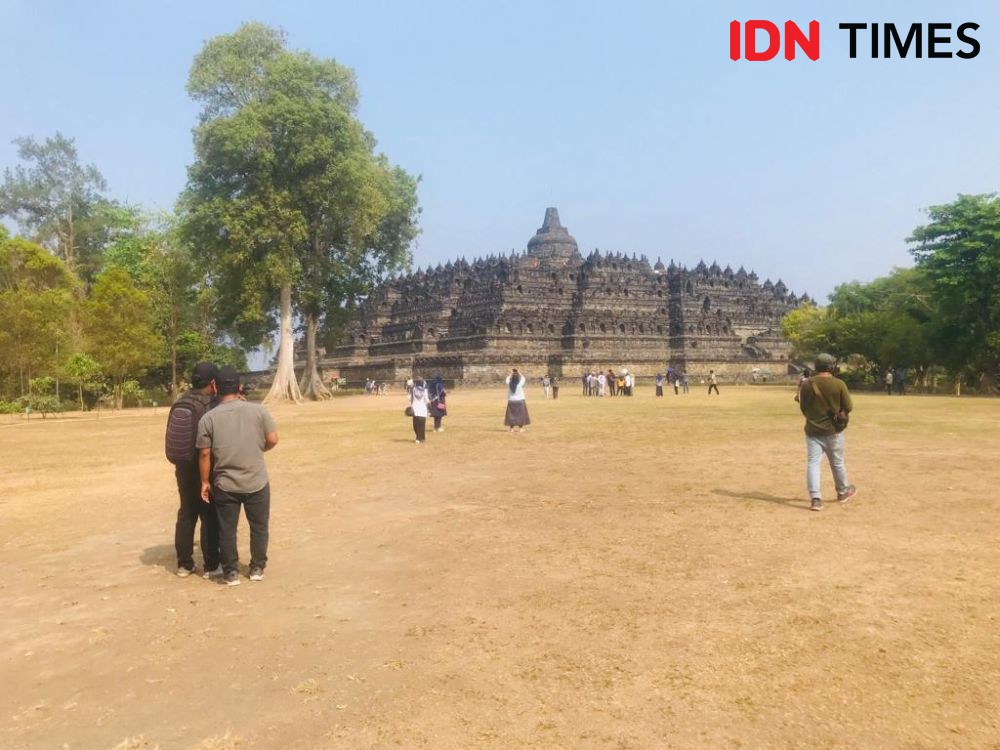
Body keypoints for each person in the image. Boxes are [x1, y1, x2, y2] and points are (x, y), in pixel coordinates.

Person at [196, 367, 278, 586]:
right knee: (259, 526)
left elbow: (204, 452)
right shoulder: (259, 412)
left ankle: (231, 571)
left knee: (227, 529)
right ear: (240, 387)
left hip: (225, 482)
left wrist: (205, 481)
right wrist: (256, 450)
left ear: (216, 389)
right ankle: (257, 567)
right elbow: (273, 439)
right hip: (256, 479)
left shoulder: (208, 418)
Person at [166, 362, 222, 579]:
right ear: (212, 383)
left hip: (182, 467)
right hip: (203, 468)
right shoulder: (211, 405)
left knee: (186, 513)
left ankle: (184, 564)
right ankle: (211, 565)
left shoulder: (181, 402)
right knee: (209, 515)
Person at [799, 353, 857, 512]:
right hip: (834, 430)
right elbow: (849, 407)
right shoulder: (839, 384)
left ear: (815, 367)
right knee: (837, 462)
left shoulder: (806, 384)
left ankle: (816, 498)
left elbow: (803, 407)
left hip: (812, 430)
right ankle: (843, 491)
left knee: (813, 463)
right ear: (831, 367)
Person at [504, 368, 530, 432]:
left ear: (511, 378)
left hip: (511, 401)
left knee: (511, 415)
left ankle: (511, 429)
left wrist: (511, 374)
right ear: (518, 378)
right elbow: (523, 378)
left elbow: (507, 379)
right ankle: (521, 429)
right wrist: (518, 373)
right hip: (520, 401)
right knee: (520, 415)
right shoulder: (520, 384)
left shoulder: (509, 384)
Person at [410, 378, 430, 442]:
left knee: (415, 424)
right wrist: (429, 404)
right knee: (422, 424)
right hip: (422, 409)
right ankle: (420, 438)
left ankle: (418, 437)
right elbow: (426, 400)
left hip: (415, 408)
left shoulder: (413, 389)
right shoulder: (425, 390)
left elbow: (411, 399)